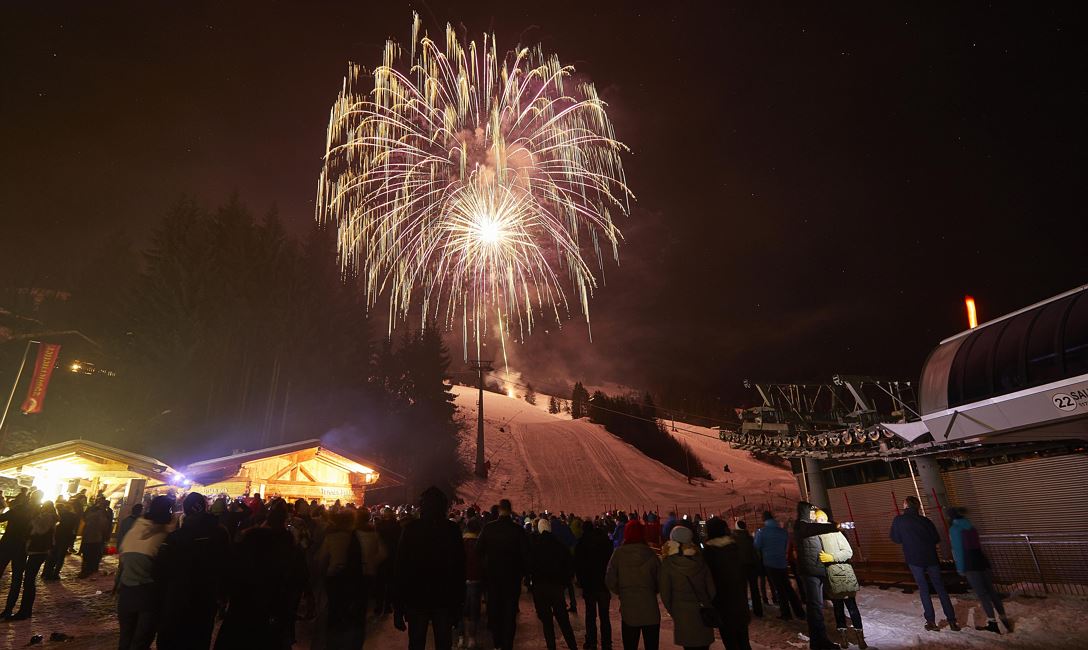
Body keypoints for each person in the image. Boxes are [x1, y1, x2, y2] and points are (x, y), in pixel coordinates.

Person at [215, 498, 308, 650]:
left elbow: (232, 571)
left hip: (243, 611)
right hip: (271, 612)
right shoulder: (288, 545)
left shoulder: (251, 539)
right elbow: (297, 577)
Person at [155, 492, 231, 650]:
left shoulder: (174, 538)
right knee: (198, 640)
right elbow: (225, 567)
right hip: (204, 600)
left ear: (185, 511)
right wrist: (222, 596)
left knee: (171, 640)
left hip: (176, 600)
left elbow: (160, 572)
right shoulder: (219, 535)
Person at [393, 487, 465, 650]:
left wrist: (398, 606)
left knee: (417, 643)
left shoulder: (411, 530)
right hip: (444, 597)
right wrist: (459, 603)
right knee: (443, 643)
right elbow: (459, 568)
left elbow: (400, 568)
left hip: (417, 597)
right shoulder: (451, 531)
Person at [889, 496, 960, 632]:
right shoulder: (926, 521)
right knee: (940, 588)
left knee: (924, 589)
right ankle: (952, 621)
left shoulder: (899, 520)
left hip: (914, 558)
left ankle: (931, 621)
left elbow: (895, 538)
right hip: (931, 558)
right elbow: (936, 538)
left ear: (906, 505)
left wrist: (908, 540)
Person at [116, 496, 175, 650]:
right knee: (141, 641)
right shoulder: (165, 536)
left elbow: (123, 559)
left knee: (125, 639)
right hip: (148, 594)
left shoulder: (135, 529)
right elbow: (166, 569)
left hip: (126, 592)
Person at [947, 507, 1011, 634]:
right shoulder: (970, 526)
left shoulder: (955, 529)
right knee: (992, 591)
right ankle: (1004, 619)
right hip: (981, 560)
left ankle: (993, 623)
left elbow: (958, 550)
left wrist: (960, 568)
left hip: (970, 564)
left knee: (982, 594)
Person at [477, 498, 530, 650]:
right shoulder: (518, 530)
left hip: (493, 578)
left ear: (499, 510)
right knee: (510, 614)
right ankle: (508, 645)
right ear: (510, 510)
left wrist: (486, 565)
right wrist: (525, 574)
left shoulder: (488, 528)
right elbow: (526, 554)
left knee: (495, 611)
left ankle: (497, 643)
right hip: (512, 579)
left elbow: (478, 550)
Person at [794, 502, 846, 650]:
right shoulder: (801, 525)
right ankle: (818, 642)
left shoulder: (810, 526)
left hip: (817, 569)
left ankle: (820, 640)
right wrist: (833, 525)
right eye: (811, 512)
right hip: (810, 572)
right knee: (815, 607)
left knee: (817, 606)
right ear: (804, 512)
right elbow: (813, 529)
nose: (813, 515)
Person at [813, 508, 866, 650]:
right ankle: (844, 638)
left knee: (851, 606)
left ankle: (860, 638)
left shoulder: (836, 534)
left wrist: (832, 558)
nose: (821, 522)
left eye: (822, 519)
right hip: (831, 576)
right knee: (838, 608)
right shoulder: (816, 538)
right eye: (818, 520)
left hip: (843, 574)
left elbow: (848, 552)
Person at [314, 508, 366, 649]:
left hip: (334, 581)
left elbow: (321, 561)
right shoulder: (357, 537)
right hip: (354, 582)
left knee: (334, 615)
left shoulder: (331, 537)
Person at [605, 519, 660, 650]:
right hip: (650, 608)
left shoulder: (618, 554)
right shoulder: (651, 554)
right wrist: (651, 590)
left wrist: (622, 591)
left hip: (629, 608)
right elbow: (661, 580)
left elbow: (609, 580)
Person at [660, 526, 716, 650]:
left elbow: (665, 594)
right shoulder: (700, 559)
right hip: (703, 612)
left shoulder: (668, 563)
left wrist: (674, 611)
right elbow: (712, 590)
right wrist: (706, 603)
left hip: (682, 613)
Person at [529, 518, 579, 650]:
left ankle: (551, 646)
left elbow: (529, 567)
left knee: (547, 623)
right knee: (564, 621)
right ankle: (573, 646)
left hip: (540, 588)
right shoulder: (559, 545)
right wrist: (564, 583)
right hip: (556, 588)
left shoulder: (535, 546)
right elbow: (569, 565)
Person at [702, 518, 751, 650]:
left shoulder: (709, 553)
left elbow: (708, 582)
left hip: (723, 606)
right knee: (744, 642)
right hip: (740, 602)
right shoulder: (734, 547)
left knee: (731, 643)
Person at [7, 497, 57, 620]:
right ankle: (25, 610)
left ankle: (25, 611)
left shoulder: (48, 517)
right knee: (28, 581)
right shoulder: (47, 517)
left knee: (29, 581)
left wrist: (34, 517)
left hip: (39, 551)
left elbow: (40, 530)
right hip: (36, 551)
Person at [754, 511, 804, 620]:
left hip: (770, 563)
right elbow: (787, 545)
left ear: (764, 520)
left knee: (779, 589)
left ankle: (786, 613)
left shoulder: (762, 532)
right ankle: (799, 611)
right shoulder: (782, 532)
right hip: (782, 562)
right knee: (788, 587)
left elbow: (757, 546)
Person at [575, 520, 614, 650]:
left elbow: (578, 565)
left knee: (590, 615)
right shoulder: (604, 541)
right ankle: (607, 643)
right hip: (603, 584)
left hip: (589, 586)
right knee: (605, 616)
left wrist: (581, 581)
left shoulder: (582, 543)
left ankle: (591, 642)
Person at [0, 490, 36, 619]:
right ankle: (8, 609)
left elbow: (1, 518)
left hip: (6, 545)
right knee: (16, 579)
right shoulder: (36, 513)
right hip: (21, 548)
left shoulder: (17, 510)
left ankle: (8, 610)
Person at [458, 516, 484, 649]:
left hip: (460, 580)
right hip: (475, 580)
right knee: (473, 611)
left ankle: (461, 637)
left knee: (461, 610)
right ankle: (472, 639)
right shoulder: (479, 544)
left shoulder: (459, 543)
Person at [731, 520, 763, 617]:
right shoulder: (750, 538)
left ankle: (744, 610)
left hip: (740, 567)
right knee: (755, 589)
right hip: (752, 566)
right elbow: (755, 552)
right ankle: (758, 610)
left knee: (742, 589)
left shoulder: (733, 539)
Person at [43, 499, 80, 580]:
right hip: (65, 537)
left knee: (52, 555)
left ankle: (47, 573)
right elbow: (74, 529)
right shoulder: (72, 516)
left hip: (57, 537)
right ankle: (55, 573)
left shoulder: (57, 515)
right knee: (60, 556)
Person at [79, 499, 110, 578]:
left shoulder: (90, 511)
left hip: (87, 537)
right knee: (94, 555)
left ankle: (85, 570)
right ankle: (90, 570)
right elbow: (104, 526)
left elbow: (84, 519)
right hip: (96, 538)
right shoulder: (102, 514)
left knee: (87, 555)